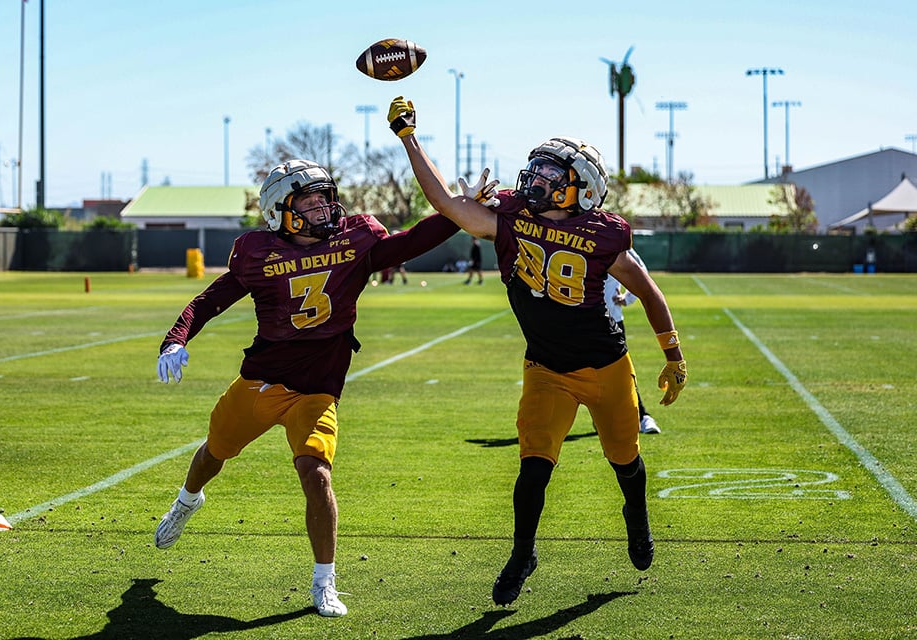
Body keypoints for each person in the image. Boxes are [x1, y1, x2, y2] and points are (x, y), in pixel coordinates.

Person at [387, 97, 687, 606]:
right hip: (546, 368)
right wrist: (409, 138)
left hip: (607, 367)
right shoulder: (511, 213)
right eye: (539, 166)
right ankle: (522, 554)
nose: (538, 176)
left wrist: (673, 353)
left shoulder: (602, 232)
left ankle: (636, 520)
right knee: (532, 468)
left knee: (624, 460)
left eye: (552, 171)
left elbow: (648, 290)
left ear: (581, 189)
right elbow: (447, 205)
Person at [154, 159, 460, 618]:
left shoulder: (355, 240)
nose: (322, 207)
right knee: (214, 451)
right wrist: (174, 340)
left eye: (324, 197)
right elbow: (209, 300)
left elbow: (411, 241)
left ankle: (324, 581)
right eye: (309, 201)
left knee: (316, 473)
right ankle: (187, 501)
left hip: (317, 388)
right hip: (261, 381)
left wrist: (458, 210)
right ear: (281, 211)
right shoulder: (257, 253)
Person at [605, 249, 660, 434]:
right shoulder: (566, 231)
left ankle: (642, 416)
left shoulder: (611, 233)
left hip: (610, 319)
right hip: (574, 321)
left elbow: (640, 271)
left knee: (621, 372)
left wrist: (627, 298)